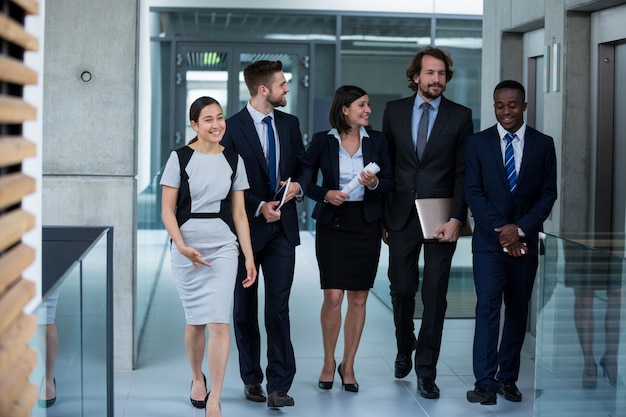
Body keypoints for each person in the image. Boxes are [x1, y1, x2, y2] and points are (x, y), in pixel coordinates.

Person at [382, 46, 473, 399]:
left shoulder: (460, 117)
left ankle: (426, 370)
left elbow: (464, 172)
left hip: (441, 220)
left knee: (435, 295)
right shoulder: (394, 112)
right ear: (416, 76)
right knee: (402, 289)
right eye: (430, 73)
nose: (436, 79)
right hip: (401, 215)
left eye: (442, 74)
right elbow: (387, 166)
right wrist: (382, 218)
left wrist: (456, 218)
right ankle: (405, 344)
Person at [220, 60, 311, 408]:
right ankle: (251, 379)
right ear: (263, 89)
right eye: (282, 84)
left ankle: (279, 385)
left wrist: (299, 185)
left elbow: (302, 163)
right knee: (244, 308)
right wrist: (259, 206)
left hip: (282, 232)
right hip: (244, 231)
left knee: (278, 307)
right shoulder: (231, 128)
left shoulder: (289, 123)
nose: (286, 89)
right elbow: (226, 181)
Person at [160, 96, 256, 417]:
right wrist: (181, 246)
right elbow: (167, 210)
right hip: (187, 248)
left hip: (223, 248)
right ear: (194, 126)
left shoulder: (234, 160)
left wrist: (249, 257)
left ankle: (214, 397)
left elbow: (240, 214)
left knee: (218, 322)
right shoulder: (179, 158)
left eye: (220, 118)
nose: (216, 125)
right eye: (208, 120)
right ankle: (195, 376)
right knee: (196, 323)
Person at [464, 80, 557, 405]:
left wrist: (519, 230)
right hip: (489, 245)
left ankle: (508, 378)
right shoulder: (477, 144)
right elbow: (473, 192)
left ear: (524, 106)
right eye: (500, 106)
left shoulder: (544, 145)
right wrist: (503, 231)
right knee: (488, 307)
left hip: (524, 244)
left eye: (512, 105)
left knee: (517, 310)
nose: (506, 111)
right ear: (494, 106)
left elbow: (548, 193)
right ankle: (485, 382)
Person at [304, 85, 393, 393]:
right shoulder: (322, 141)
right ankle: (329, 362)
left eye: (368, 104)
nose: (368, 109)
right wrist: (324, 193)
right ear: (345, 109)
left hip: (366, 224)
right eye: (361, 105)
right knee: (333, 297)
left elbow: (390, 182)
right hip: (333, 223)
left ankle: (349, 364)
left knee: (358, 297)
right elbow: (304, 179)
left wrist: (376, 182)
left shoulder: (378, 141)